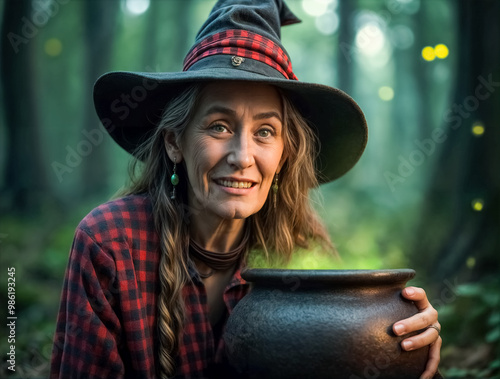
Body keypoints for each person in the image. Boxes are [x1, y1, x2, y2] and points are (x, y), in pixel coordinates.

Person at [50, 0, 442, 378]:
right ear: (174, 142)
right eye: (219, 126)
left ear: (285, 153)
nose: (242, 156)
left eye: (265, 132)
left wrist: (405, 347)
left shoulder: (298, 256)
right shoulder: (110, 244)